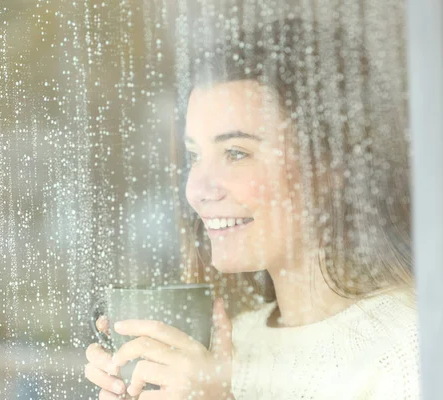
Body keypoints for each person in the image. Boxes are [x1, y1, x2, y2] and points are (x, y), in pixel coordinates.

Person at [84, 16, 419, 400]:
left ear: (332, 166)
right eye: (194, 156)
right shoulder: (226, 347)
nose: (197, 191)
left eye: (236, 152)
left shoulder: (410, 345)